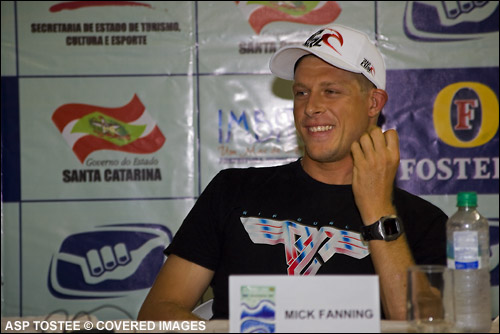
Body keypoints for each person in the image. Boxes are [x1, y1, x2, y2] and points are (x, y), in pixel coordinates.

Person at [137, 24, 447, 321]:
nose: (311, 107)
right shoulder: (233, 190)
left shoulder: (423, 221)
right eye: (301, 93)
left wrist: (378, 210)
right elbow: (157, 313)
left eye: (331, 91)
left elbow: (419, 325)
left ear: (373, 103)